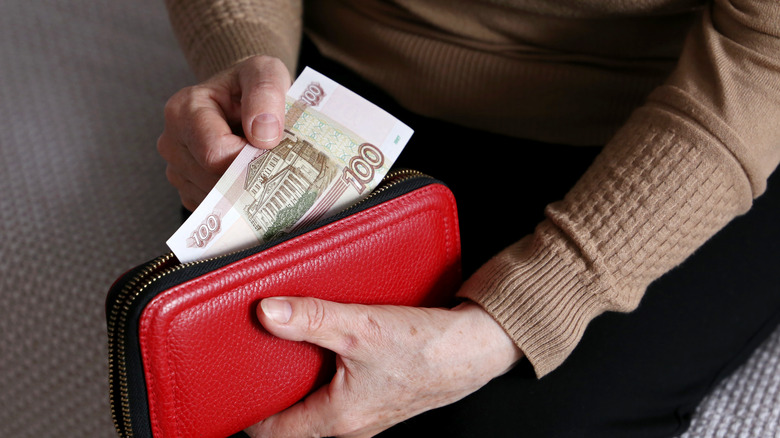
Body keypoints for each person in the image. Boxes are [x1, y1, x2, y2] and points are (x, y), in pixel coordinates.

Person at [156, 1, 780, 437]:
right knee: (244, 386)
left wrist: (526, 313)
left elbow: (764, 56)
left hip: (680, 125)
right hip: (338, 81)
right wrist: (244, 57)